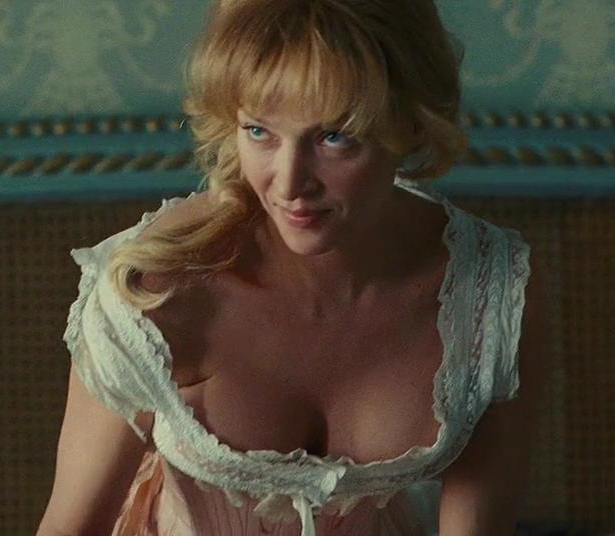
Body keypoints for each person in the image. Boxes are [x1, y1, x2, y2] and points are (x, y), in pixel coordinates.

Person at [36, 0, 550, 535]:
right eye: (260, 131)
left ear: (409, 124)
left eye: (334, 137)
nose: (288, 184)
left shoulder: (491, 295)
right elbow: (72, 526)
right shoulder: (153, 288)